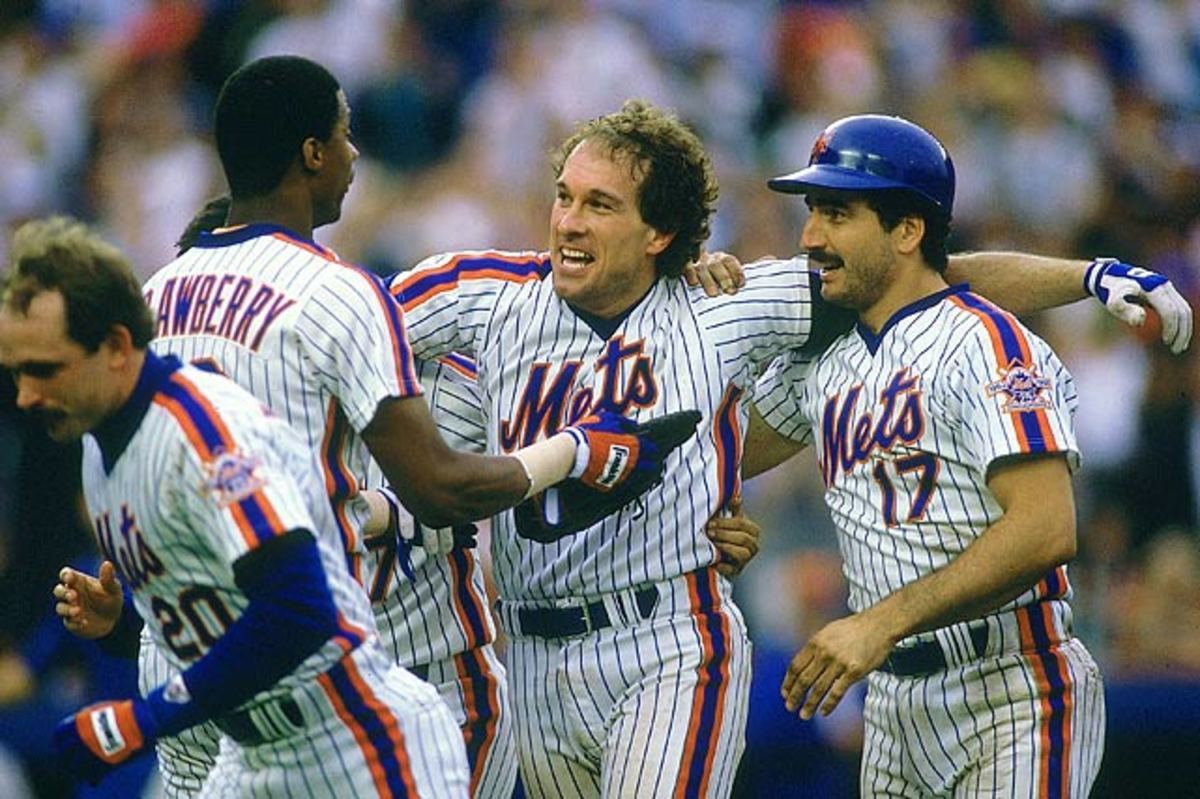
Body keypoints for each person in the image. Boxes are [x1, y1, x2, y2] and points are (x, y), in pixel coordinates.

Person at [385, 98, 1190, 798]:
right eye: (563, 197)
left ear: (658, 231)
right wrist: (712, 509)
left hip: (972, 673)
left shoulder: (939, 335)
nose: (567, 220)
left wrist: (1089, 277)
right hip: (565, 648)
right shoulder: (491, 296)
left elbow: (938, 282)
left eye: (599, 204)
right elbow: (711, 451)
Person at [132, 56, 697, 799]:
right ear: (311, 153)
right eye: (343, 133)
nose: (355, 152)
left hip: (204, 654)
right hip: (327, 669)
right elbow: (439, 488)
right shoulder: (338, 297)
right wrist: (577, 448)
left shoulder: (154, 297)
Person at [0, 215, 471, 796]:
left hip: (355, 743)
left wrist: (143, 718)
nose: (25, 395)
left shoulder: (203, 434)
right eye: (17, 371)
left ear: (117, 346)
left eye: (44, 369)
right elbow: (223, 618)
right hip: (253, 754)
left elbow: (302, 610)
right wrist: (126, 625)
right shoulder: (98, 451)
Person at [752, 114, 1107, 796]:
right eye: (810, 212)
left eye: (835, 212)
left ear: (907, 230)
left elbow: (1046, 527)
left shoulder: (988, 343)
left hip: (1009, 683)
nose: (810, 237)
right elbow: (713, 461)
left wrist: (877, 623)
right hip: (892, 705)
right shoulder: (824, 357)